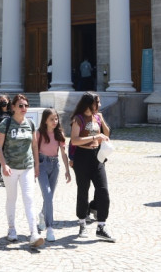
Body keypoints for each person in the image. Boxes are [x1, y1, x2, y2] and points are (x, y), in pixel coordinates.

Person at [0, 93, 44, 248]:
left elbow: (35, 146)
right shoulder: (6, 123)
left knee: (29, 198)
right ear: (13, 107)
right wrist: (4, 165)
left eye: (26, 105)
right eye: (20, 105)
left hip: (27, 167)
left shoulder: (30, 123)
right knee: (12, 198)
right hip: (11, 167)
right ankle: (11, 228)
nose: (24, 108)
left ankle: (34, 233)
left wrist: (37, 165)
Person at [70, 92, 114, 242]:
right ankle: (82, 222)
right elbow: (75, 140)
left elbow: (107, 134)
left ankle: (101, 226)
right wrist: (95, 137)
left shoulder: (97, 117)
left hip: (97, 157)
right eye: (97, 102)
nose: (100, 105)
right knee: (83, 191)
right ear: (89, 104)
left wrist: (102, 120)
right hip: (82, 157)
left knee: (103, 190)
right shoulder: (78, 119)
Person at [37, 107, 71, 242]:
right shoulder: (39, 134)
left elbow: (63, 153)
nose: (55, 121)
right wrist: (35, 167)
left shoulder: (60, 134)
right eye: (51, 119)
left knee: (49, 197)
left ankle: (42, 214)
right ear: (45, 120)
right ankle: (50, 228)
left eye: (56, 118)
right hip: (42, 165)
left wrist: (67, 170)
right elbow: (34, 151)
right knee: (48, 196)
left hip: (54, 166)